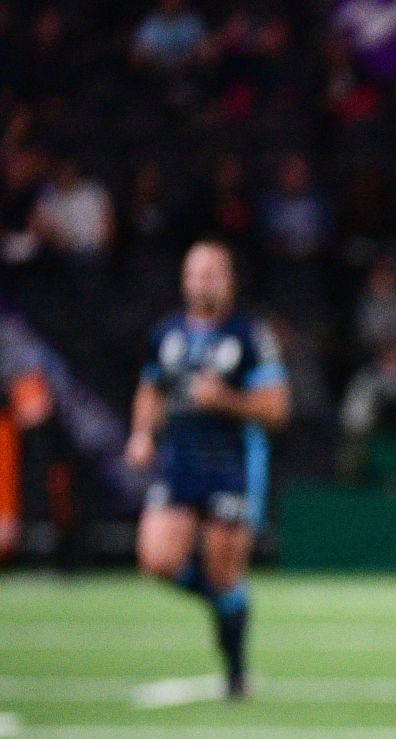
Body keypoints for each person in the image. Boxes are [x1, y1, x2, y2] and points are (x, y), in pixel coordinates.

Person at [125, 241, 289, 698]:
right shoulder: (167, 334)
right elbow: (150, 389)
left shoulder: (249, 337)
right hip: (179, 464)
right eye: (195, 273)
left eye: (212, 272)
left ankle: (236, 674)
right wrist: (141, 434)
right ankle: (226, 606)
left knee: (224, 573)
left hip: (230, 467)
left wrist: (227, 400)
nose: (202, 281)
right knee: (156, 559)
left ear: (229, 279)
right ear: (183, 280)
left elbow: (277, 408)